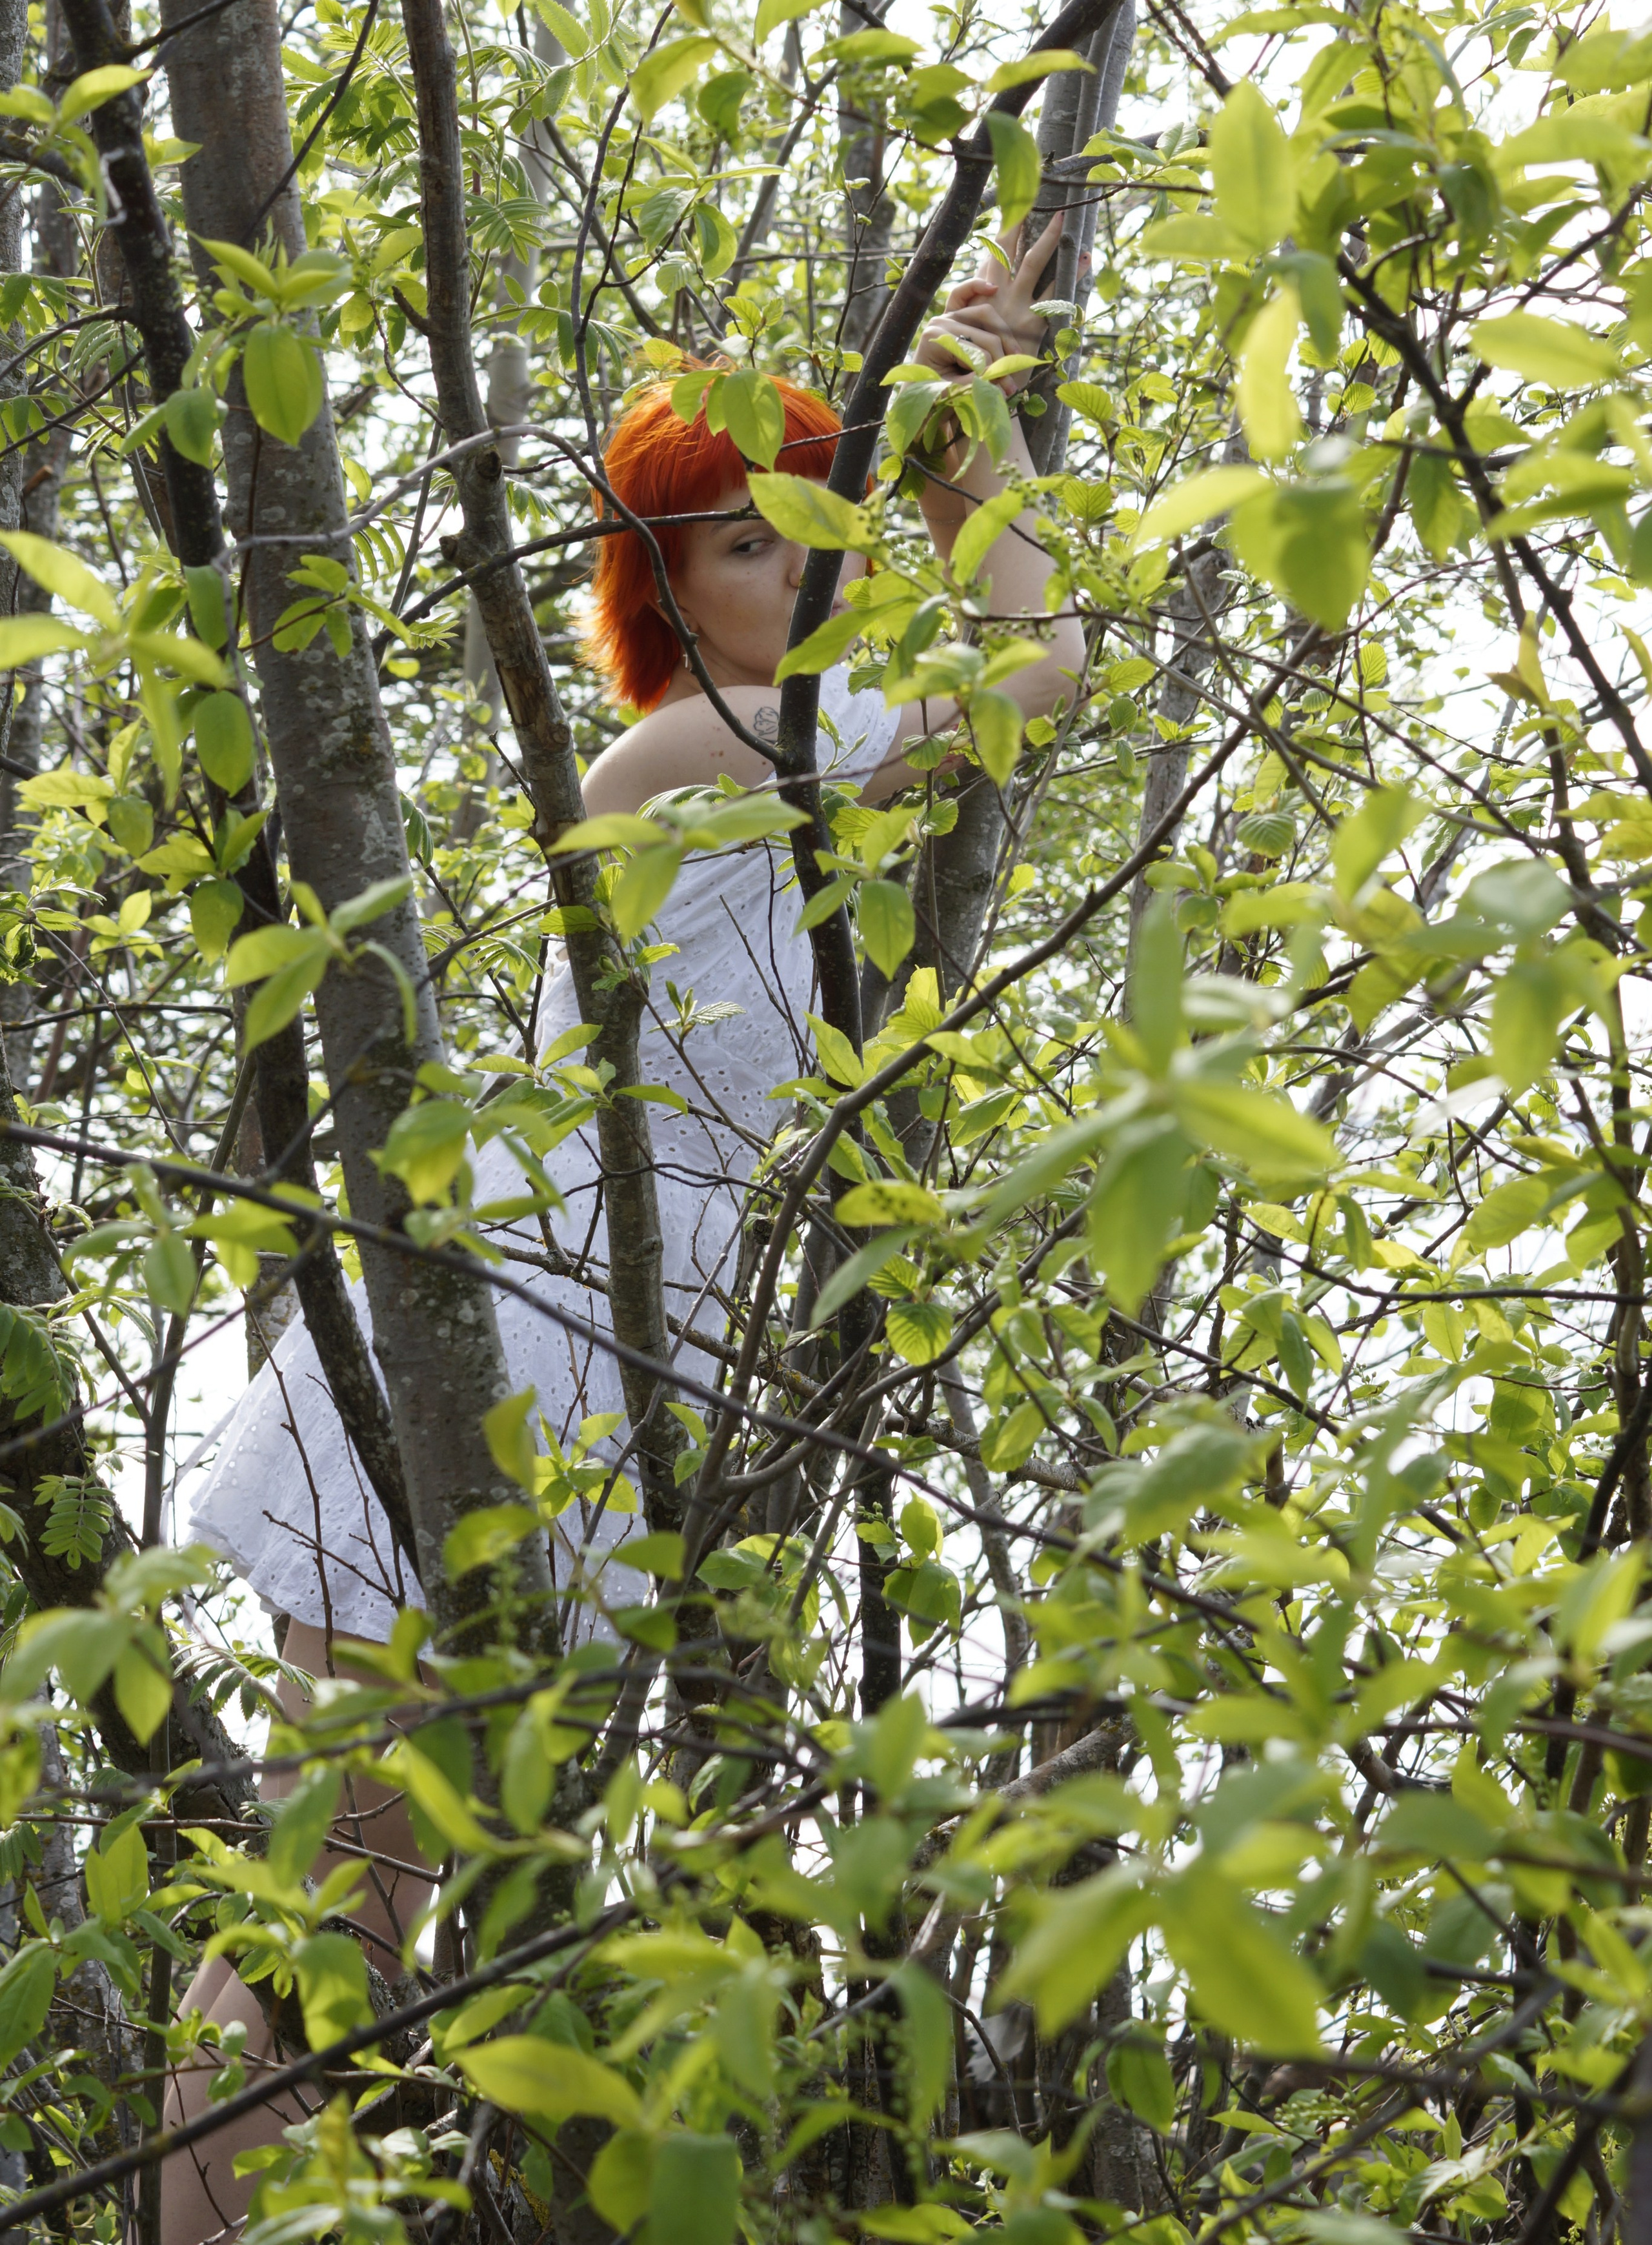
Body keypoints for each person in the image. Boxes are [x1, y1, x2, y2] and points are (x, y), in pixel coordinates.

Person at [163, 216, 1083, 2243]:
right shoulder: (694, 747)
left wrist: (949, 433)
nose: (795, 565)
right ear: (662, 586)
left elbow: (987, 690)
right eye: (744, 541)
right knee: (342, 1881)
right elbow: (1030, 674)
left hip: (599, 1345)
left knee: (408, 1896)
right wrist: (984, 446)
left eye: (812, 524)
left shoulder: (794, 764)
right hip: (516, 1324)